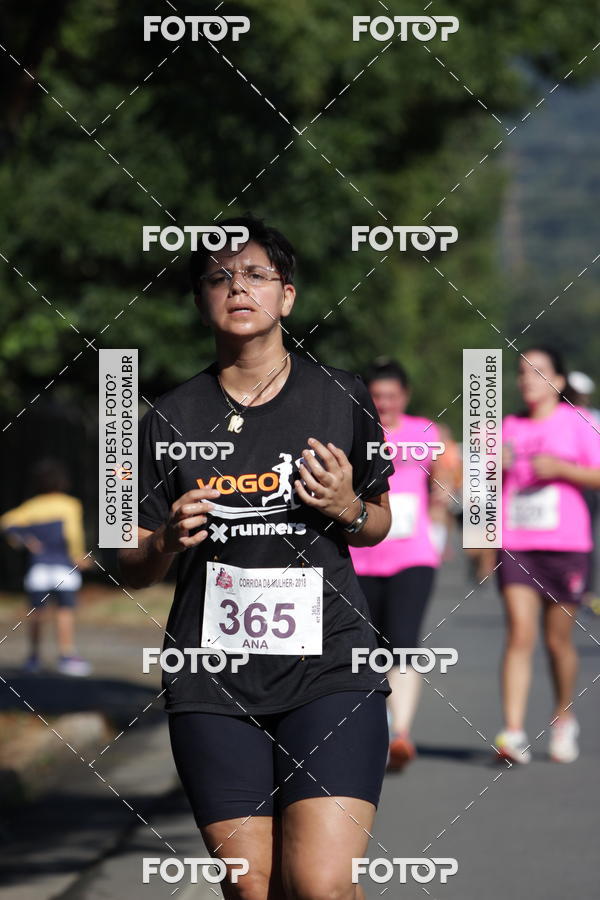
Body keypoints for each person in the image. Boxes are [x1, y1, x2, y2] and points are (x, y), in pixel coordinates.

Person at [119, 214, 393, 900]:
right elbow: (130, 564)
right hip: (213, 677)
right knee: (252, 887)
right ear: (200, 300)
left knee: (321, 883)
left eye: (255, 274)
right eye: (219, 277)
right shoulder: (167, 417)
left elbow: (378, 524)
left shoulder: (341, 396)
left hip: (331, 665)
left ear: (286, 296)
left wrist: (347, 507)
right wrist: (163, 541)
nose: (237, 287)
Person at [495, 347, 600, 764]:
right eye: (522, 372)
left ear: (558, 381)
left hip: (566, 544)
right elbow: (479, 484)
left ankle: (563, 717)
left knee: (558, 642)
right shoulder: (507, 425)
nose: (527, 379)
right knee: (520, 633)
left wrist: (562, 470)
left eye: (537, 372)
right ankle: (513, 731)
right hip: (516, 541)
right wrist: (492, 467)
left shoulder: (578, 421)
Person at [349, 360, 447, 770]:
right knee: (366, 649)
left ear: (404, 396)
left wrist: (439, 522)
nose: (385, 403)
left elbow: (444, 481)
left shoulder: (426, 432)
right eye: (377, 396)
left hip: (413, 556)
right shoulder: (352, 433)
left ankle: (400, 733)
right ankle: (380, 727)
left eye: (391, 396)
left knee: (404, 642)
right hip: (361, 558)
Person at [0, 458, 92, 675]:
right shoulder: (69, 504)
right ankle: (66, 656)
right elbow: (73, 534)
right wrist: (79, 556)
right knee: (64, 611)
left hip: (38, 567)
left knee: (36, 612)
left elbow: (6, 523)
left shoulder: (32, 506)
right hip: (63, 566)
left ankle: (33, 658)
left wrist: (23, 539)